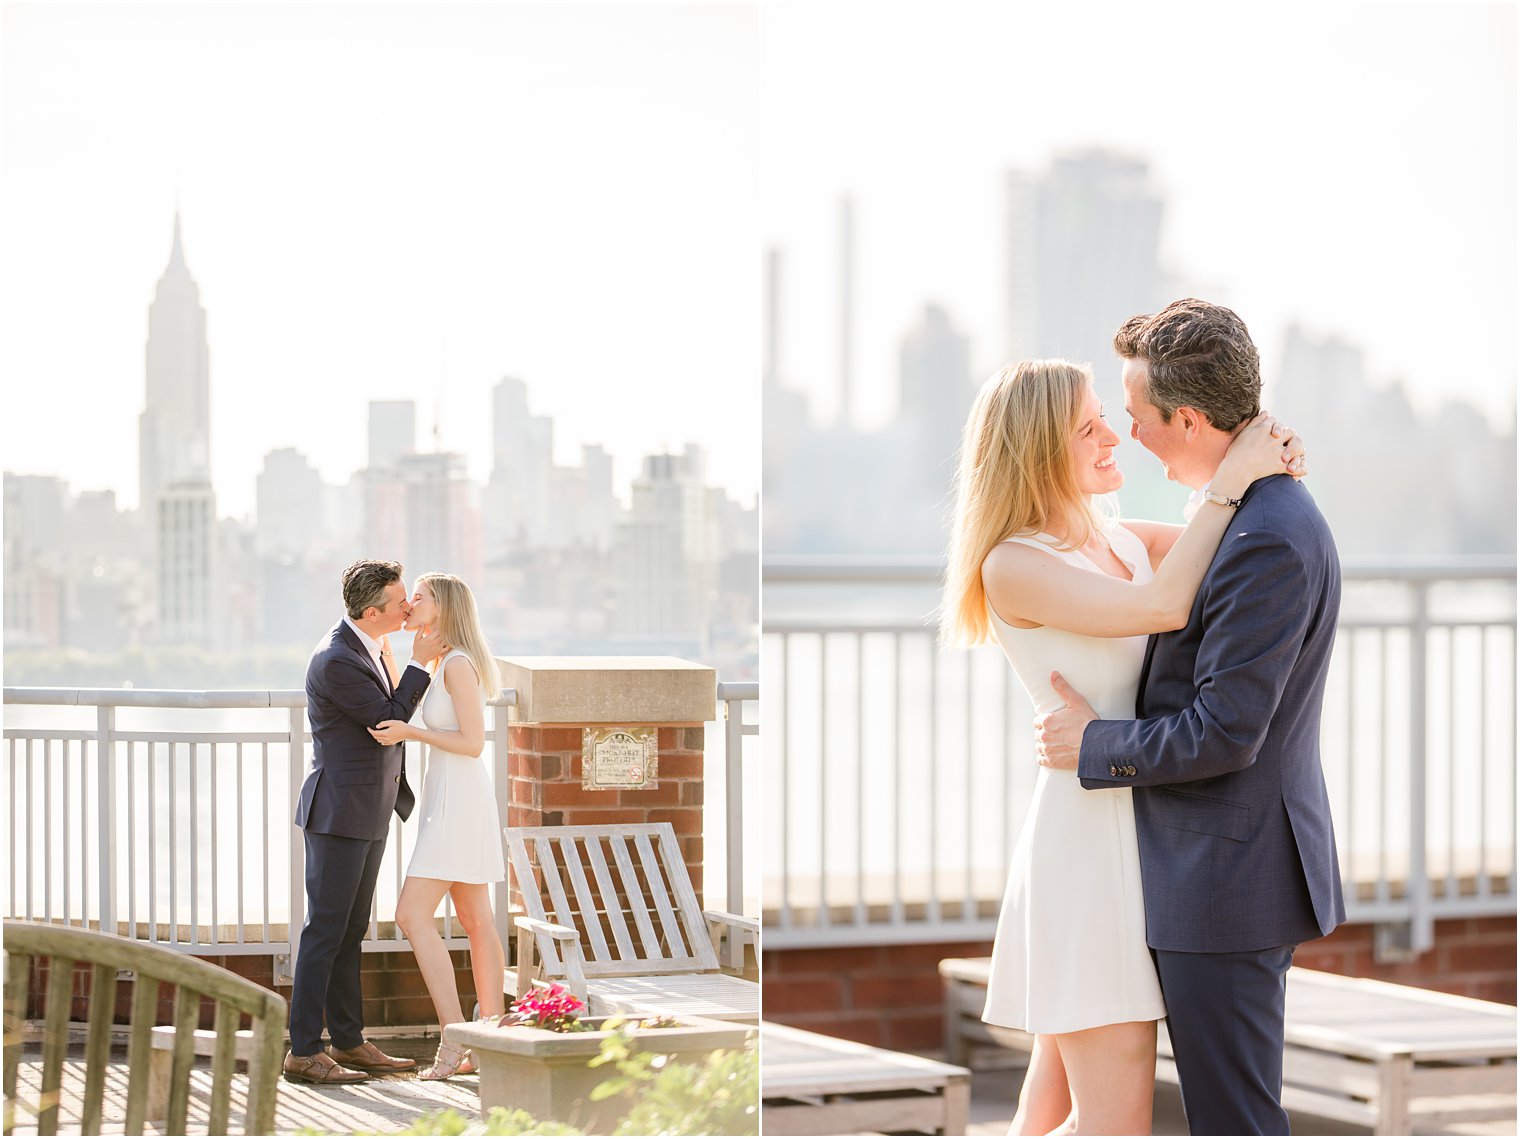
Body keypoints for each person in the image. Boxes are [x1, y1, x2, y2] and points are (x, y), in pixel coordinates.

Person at [941, 355, 1304, 1134]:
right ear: (1039, 449)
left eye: (1107, 414)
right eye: (1088, 426)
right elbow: (1166, 606)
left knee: (1046, 1114)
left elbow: (1250, 547)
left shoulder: (1122, 541)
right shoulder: (1014, 565)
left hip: (1136, 837)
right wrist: (1227, 479)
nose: (1115, 435)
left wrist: (1271, 459)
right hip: (1085, 853)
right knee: (1114, 1124)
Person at [1036, 299, 1346, 1136]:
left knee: (1234, 1121)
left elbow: (1223, 731)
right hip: (1201, 870)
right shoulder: (1245, 516)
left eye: (1134, 416)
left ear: (1190, 418)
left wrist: (1092, 743)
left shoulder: (1267, 535)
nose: (1128, 433)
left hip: (1226, 880)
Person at [285, 559, 446, 1084]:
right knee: (324, 931)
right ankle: (304, 1051)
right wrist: (422, 665)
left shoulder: (371, 644)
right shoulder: (337, 659)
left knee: (350, 930)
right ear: (373, 610)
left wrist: (407, 659)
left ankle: (350, 1042)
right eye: (400, 601)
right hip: (338, 812)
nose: (408, 607)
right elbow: (388, 721)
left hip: (367, 809)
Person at [369, 572, 508, 1081]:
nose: (409, 604)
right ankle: (489, 1041)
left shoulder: (457, 666)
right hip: (451, 799)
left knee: (412, 915)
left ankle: (455, 1037)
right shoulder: (440, 662)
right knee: (475, 920)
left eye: (419, 597)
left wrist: (410, 730)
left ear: (443, 608)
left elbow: (473, 743)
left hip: (457, 803)